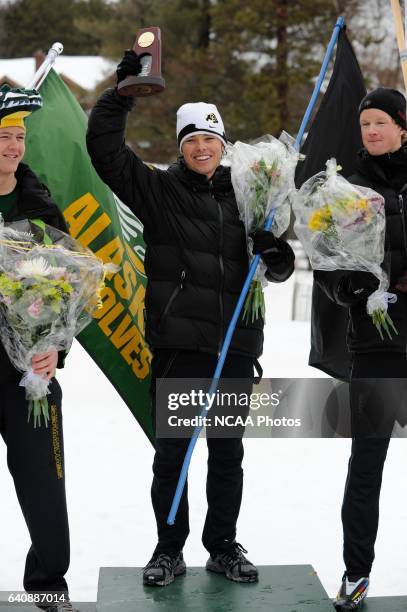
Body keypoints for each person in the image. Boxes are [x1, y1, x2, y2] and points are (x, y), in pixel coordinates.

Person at [86, 50, 295, 587]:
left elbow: (277, 264)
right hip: (181, 347)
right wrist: (121, 94)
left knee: (227, 457)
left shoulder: (252, 196)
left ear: (223, 145)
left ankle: (222, 546)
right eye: (191, 140)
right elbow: (106, 153)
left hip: (235, 348)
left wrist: (277, 256)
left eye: (210, 139)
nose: (202, 148)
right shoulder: (159, 192)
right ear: (182, 148)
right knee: (173, 459)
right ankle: (168, 548)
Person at [315, 87, 407, 611]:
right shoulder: (346, 189)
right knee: (366, 464)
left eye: (380, 123)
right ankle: (356, 572)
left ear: (401, 126)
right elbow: (328, 263)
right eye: (364, 124)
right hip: (375, 344)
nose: (371, 132)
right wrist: (351, 289)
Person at [0, 86, 76, 612]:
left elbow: (67, 287)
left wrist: (56, 348)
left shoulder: (40, 202)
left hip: (27, 371)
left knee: (45, 487)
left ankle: (48, 583)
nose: (13, 147)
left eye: (19, 138)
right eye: (4, 136)